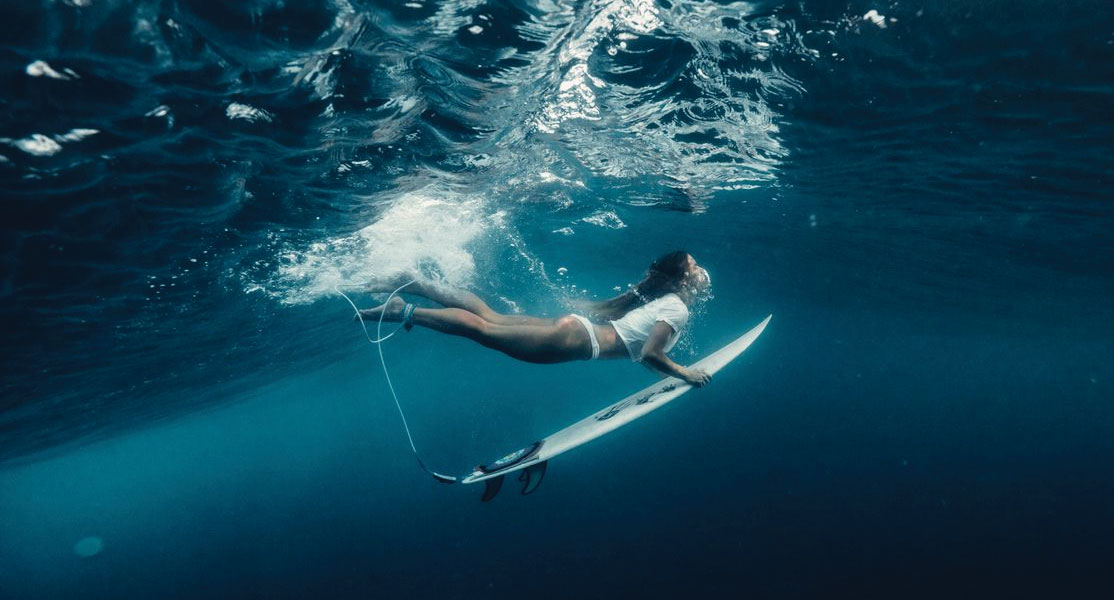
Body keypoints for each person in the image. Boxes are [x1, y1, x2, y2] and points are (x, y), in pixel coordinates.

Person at [356, 251, 713, 386]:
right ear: (681, 279)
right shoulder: (677, 308)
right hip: (573, 342)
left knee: (489, 316)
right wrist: (685, 374)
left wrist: (664, 373)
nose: (699, 271)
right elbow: (651, 353)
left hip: (575, 330)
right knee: (482, 329)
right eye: (694, 266)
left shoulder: (665, 299)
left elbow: (643, 353)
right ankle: (402, 311)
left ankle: (415, 284)